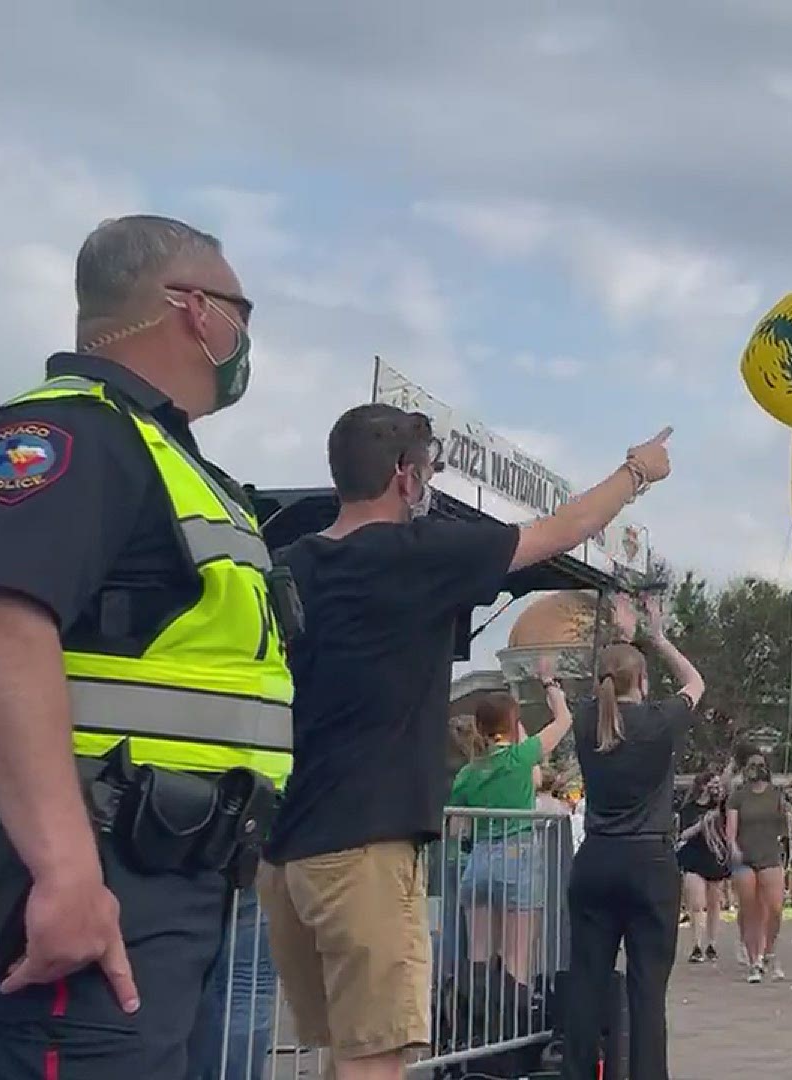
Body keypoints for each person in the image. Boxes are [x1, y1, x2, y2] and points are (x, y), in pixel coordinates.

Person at [259, 403, 672, 1080]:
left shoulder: (291, 563)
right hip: (365, 847)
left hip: (289, 850)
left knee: (338, 1051)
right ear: (404, 476)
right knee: (375, 1058)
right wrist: (637, 472)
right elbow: (563, 528)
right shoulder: (419, 557)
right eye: (427, 470)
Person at [0, 216, 295, 1078]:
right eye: (241, 309)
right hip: (92, 880)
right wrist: (65, 871)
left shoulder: (166, 457)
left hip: (166, 879)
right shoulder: (73, 436)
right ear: (193, 309)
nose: (244, 337)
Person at [559, 595, 706, 1080]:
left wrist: (621, 641)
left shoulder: (585, 721)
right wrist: (657, 637)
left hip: (596, 859)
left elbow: (604, 685)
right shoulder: (659, 722)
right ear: (643, 681)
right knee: (647, 994)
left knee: (587, 982)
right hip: (649, 863)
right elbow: (695, 683)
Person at [449, 683, 573, 986]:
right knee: (516, 959)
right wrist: (551, 686)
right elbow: (563, 721)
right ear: (514, 725)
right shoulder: (520, 758)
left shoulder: (467, 773)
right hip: (518, 854)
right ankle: (512, 1014)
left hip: (479, 861)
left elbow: (455, 827)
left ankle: (476, 1021)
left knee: (478, 956)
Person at [725, 747, 789, 982]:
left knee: (774, 909)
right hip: (745, 856)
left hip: (770, 855)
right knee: (750, 909)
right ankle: (755, 961)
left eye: (760, 765)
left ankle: (769, 950)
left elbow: (784, 824)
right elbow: (731, 827)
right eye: (751, 765)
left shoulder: (775, 794)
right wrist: (733, 847)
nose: (756, 769)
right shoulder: (738, 796)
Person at [677, 773, 731, 962]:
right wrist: (704, 823)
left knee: (714, 903)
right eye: (711, 783)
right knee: (697, 904)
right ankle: (696, 945)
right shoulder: (689, 809)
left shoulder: (721, 808)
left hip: (715, 857)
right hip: (694, 857)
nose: (714, 788)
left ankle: (712, 944)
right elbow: (683, 834)